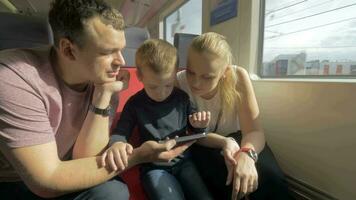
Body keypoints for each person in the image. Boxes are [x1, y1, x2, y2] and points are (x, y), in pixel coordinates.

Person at [0, 1, 192, 199]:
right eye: (107, 52)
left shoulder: (104, 79)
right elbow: (46, 180)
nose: (122, 62)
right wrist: (138, 156)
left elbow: (85, 159)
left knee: (113, 191)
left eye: (121, 49)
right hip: (17, 183)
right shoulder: (13, 77)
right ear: (68, 50)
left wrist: (104, 95)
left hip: (69, 169)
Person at [176, 32, 292, 200]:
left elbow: (254, 131)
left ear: (225, 71)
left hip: (241, 139)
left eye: (207, 77)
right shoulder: (178, 82)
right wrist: (224, 143)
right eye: (191, 72)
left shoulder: (238, 77)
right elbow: (186, 134)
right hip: (202, 142)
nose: (195, 83)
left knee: (270, 178)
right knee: (228, 181)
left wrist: (247, 155)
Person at [105, 39, 213, 200]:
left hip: (184, 163)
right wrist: (117, 143)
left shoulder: (182, 98)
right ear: (140, 76)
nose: (162, 93)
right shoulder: (135, 104)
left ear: (175, 73)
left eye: (168, 85)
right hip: (153, 167)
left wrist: (200, 125)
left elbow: (195, 131)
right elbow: (121, 132)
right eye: (153, 87)